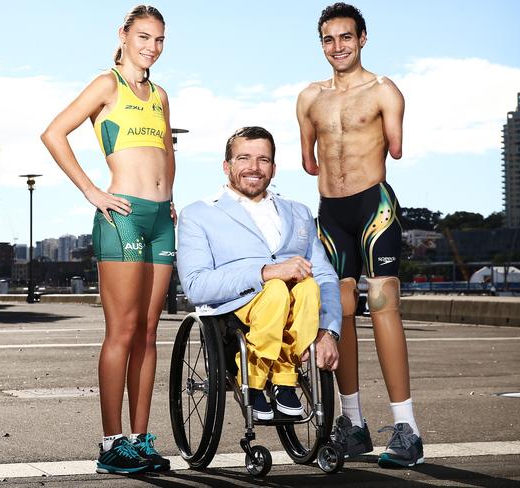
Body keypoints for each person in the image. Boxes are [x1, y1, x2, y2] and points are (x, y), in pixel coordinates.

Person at [41, 5, 174, 475]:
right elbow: (53, 133)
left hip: (161, 219)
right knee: (122, 330)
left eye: (158, 39)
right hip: (123, 216)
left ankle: (139, 441)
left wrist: (170, 197)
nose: (151, 47)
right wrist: (92, 191)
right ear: (123, 35)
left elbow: (166, 151)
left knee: (150, 332)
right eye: (143, 36)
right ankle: (111, 443)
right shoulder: (107, 84)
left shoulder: (159, 94)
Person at [296, 3, 423, 468]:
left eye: (345, 37)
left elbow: (397, 148)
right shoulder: (308, 97)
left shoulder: (385, 90)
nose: (337, 47)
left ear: (363, 38)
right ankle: (353, 424)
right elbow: (309, 163)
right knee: (340, 310)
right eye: (328, 40)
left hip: (374, 206)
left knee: (385, 304)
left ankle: (407, 428)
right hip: (330, 213)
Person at [177, 126, 342, 421]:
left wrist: (329, 332)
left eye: (263, 160)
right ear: (226, 166)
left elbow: (327, 277)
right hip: (237, 311)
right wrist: (266, 273)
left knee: (308, 287)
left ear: (274, 168)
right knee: (277, 288)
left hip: (296, 308)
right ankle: (253, 379)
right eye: (244, 158)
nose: (253, 168)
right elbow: (195, 285)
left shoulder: (299, 212)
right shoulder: (199, 214)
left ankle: (284, 379)